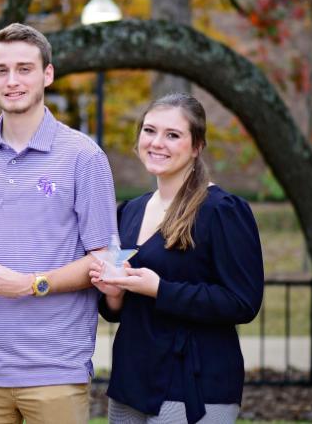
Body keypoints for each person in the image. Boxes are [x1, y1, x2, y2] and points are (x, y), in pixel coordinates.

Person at [0, 23, 117, 424]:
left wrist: (32, 284)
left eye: (24, 69)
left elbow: (105, 260)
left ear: (47, 74)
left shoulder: (84, 157)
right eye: (1, 70)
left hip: (55, 369)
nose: (12, 81)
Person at [89, 92, 264, 424]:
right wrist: (113, 295)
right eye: (150, 130)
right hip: (131, 380)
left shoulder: (221, 210)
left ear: (197, 146)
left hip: (193, 384)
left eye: (173, 135)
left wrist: (160, 289)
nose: (157, 143)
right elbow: (118, 311)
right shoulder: (130, 211)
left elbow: (243, 302)